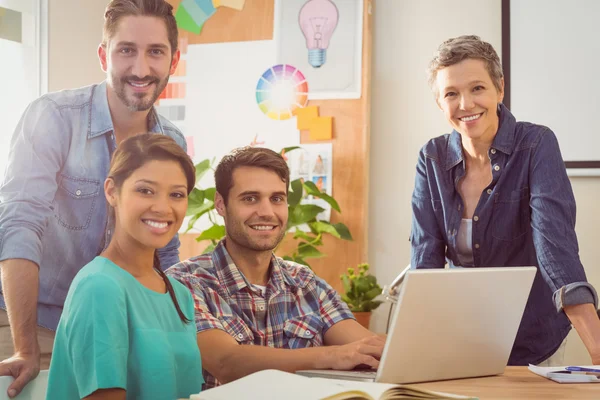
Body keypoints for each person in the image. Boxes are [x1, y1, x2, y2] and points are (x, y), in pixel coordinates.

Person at [0, 0, 184, 397]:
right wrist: (25, 347)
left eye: (155, 51)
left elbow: (165, 254)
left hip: (120, 323)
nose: (141, 68)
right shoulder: (53, 117)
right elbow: (19, 224)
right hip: (34, 322)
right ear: (104, 55)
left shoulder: (172, 141)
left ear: (173, 58)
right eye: (126, 50)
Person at [410, 35, 600, 366]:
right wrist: (415, 351)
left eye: (477, 88)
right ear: (440, 103)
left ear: (500, 88)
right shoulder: (431, 158)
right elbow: (425, 259)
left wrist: (596, 344)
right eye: (451, 94)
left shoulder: (537, 144)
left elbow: (555, 250)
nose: (466, 104)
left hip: (535, 339)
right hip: (464, 338)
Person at [167, 147, 385, 389]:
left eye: (277, 199)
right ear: (221, 204)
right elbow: (226, 362)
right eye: (250, 198)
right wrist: (334, 355)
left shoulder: (305, 282)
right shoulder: (184, 283)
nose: (267, 212)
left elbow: (367, 347)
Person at [45, 133, 202, 399]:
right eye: (145, 190)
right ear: (111, 191)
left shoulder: (179, 294)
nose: (163, 208)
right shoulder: (100, 287)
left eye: (176, 194)